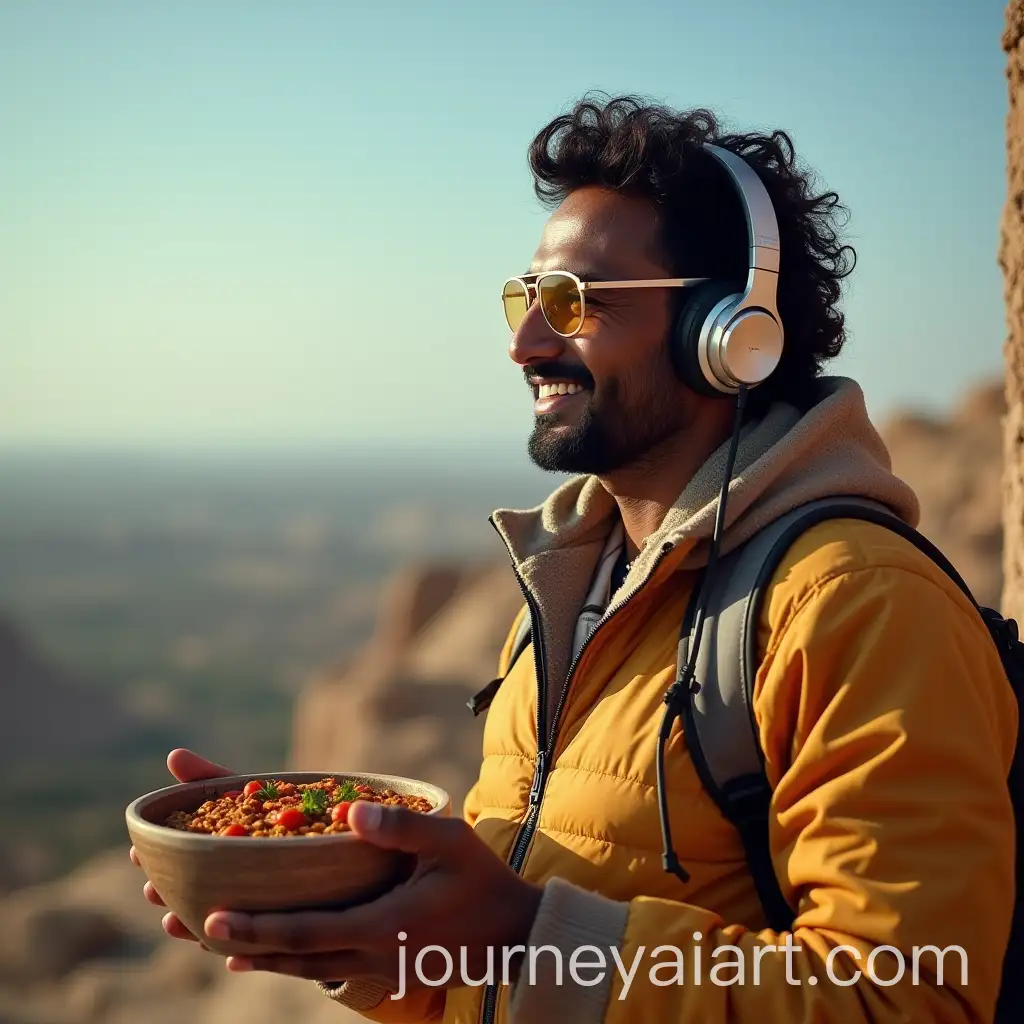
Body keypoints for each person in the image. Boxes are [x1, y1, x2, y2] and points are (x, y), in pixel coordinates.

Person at [131, 95, 1019, 1023]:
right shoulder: (570, 594)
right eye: (525, 298)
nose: (523, 344)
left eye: (571, 303)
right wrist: (344, 925)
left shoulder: (857, 604)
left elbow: (908, 999)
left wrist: (522, 931)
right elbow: (499, 980)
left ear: (727, 336)